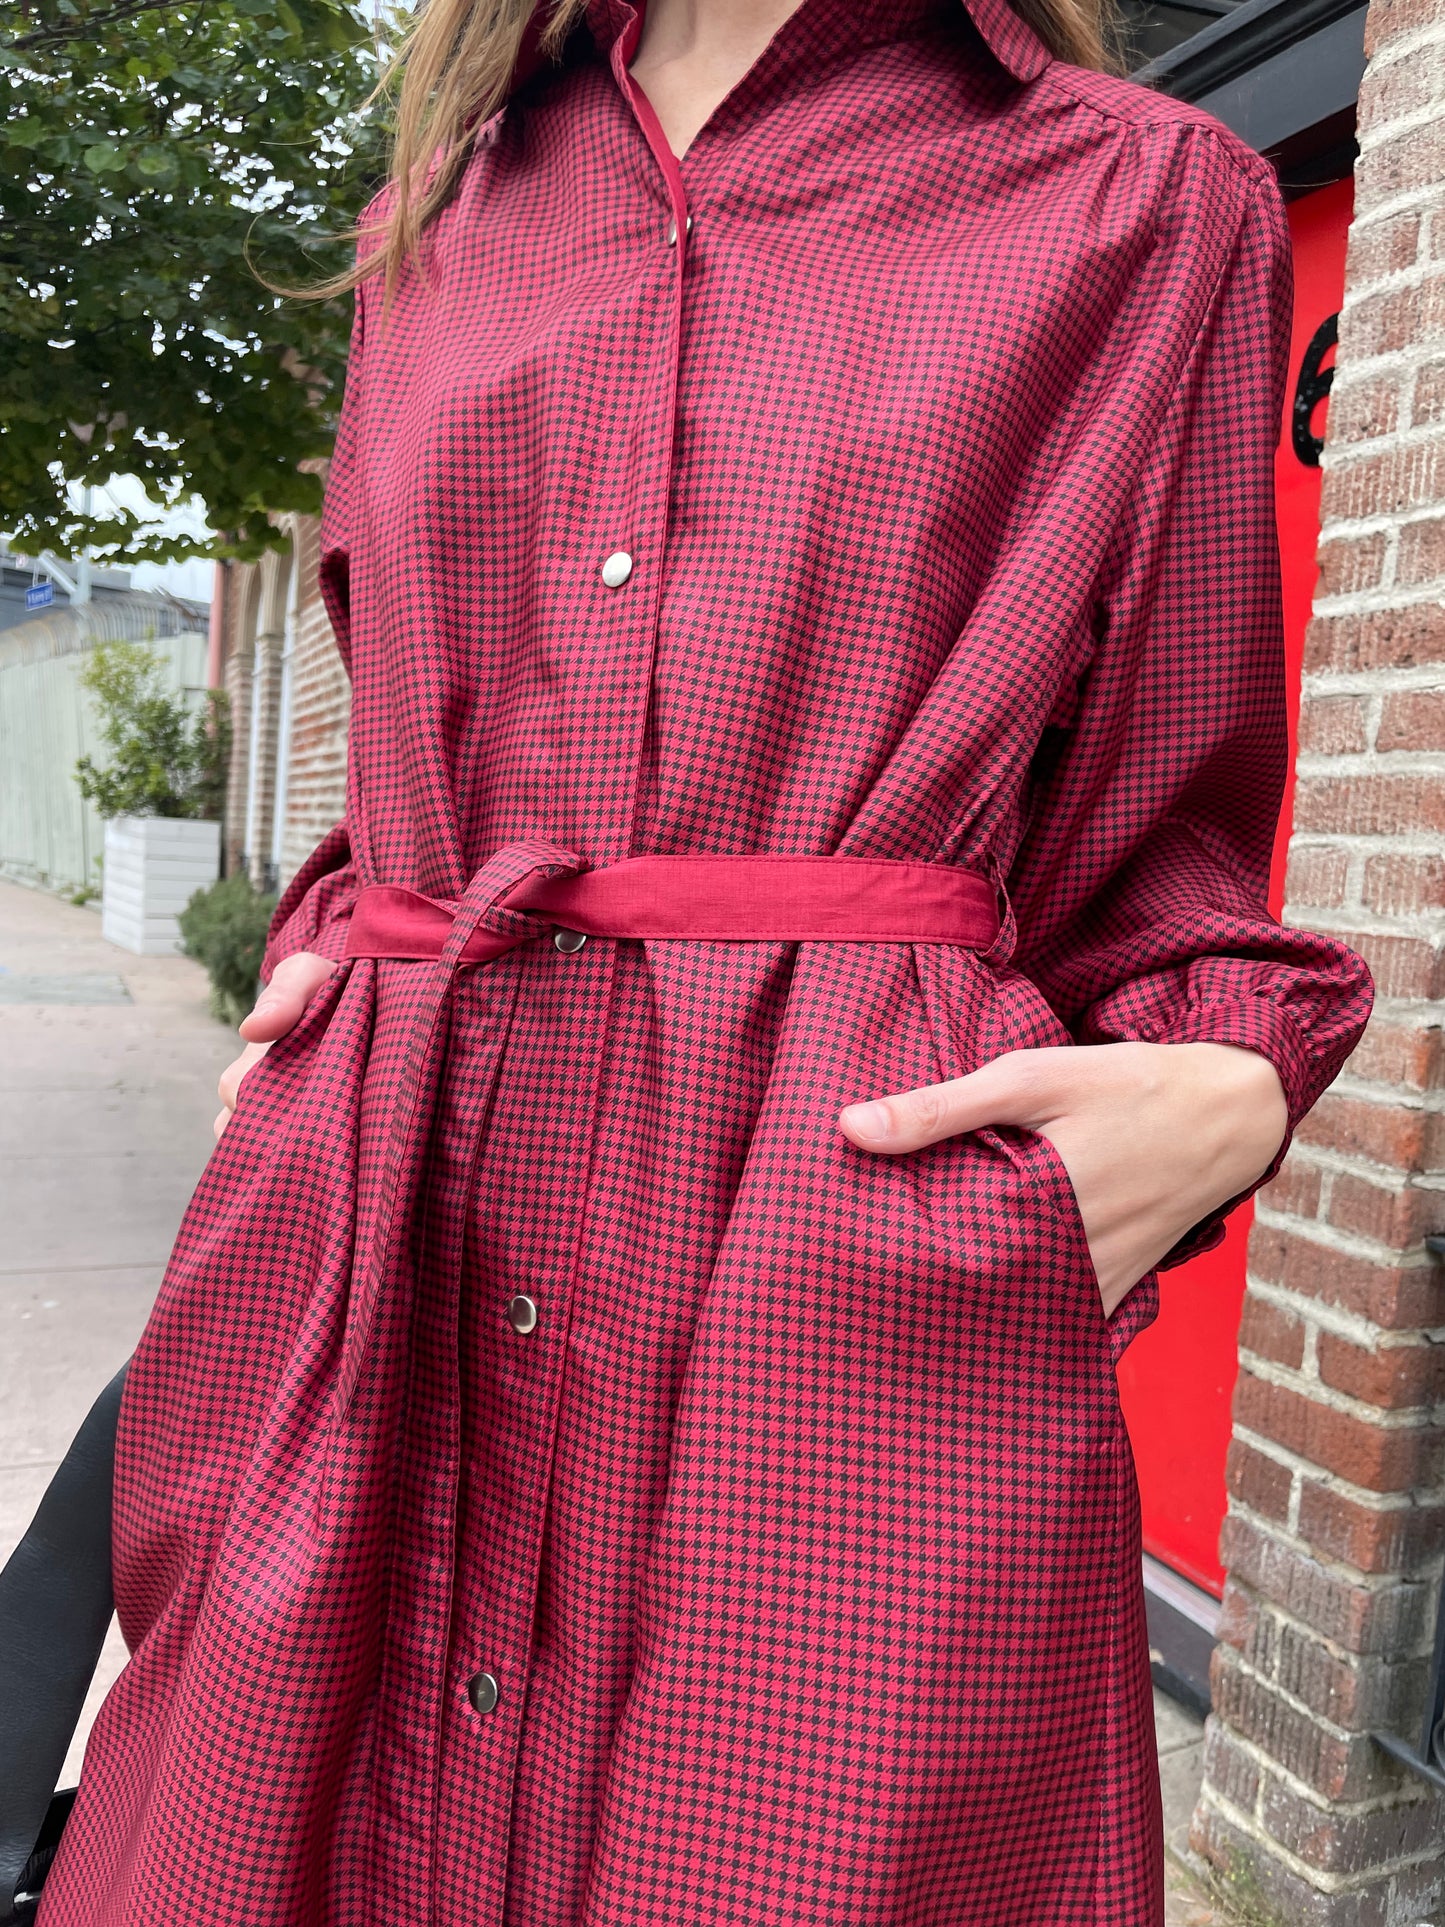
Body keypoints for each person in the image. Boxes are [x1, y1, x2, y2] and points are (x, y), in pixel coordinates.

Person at [44, 0, 1373, 1922]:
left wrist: (1226, 1082)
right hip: (378, 1248)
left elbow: (1160, 830)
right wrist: (327, 964)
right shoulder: (428, 224)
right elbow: (406, 727)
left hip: (829, 1287)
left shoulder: (1139, 197)